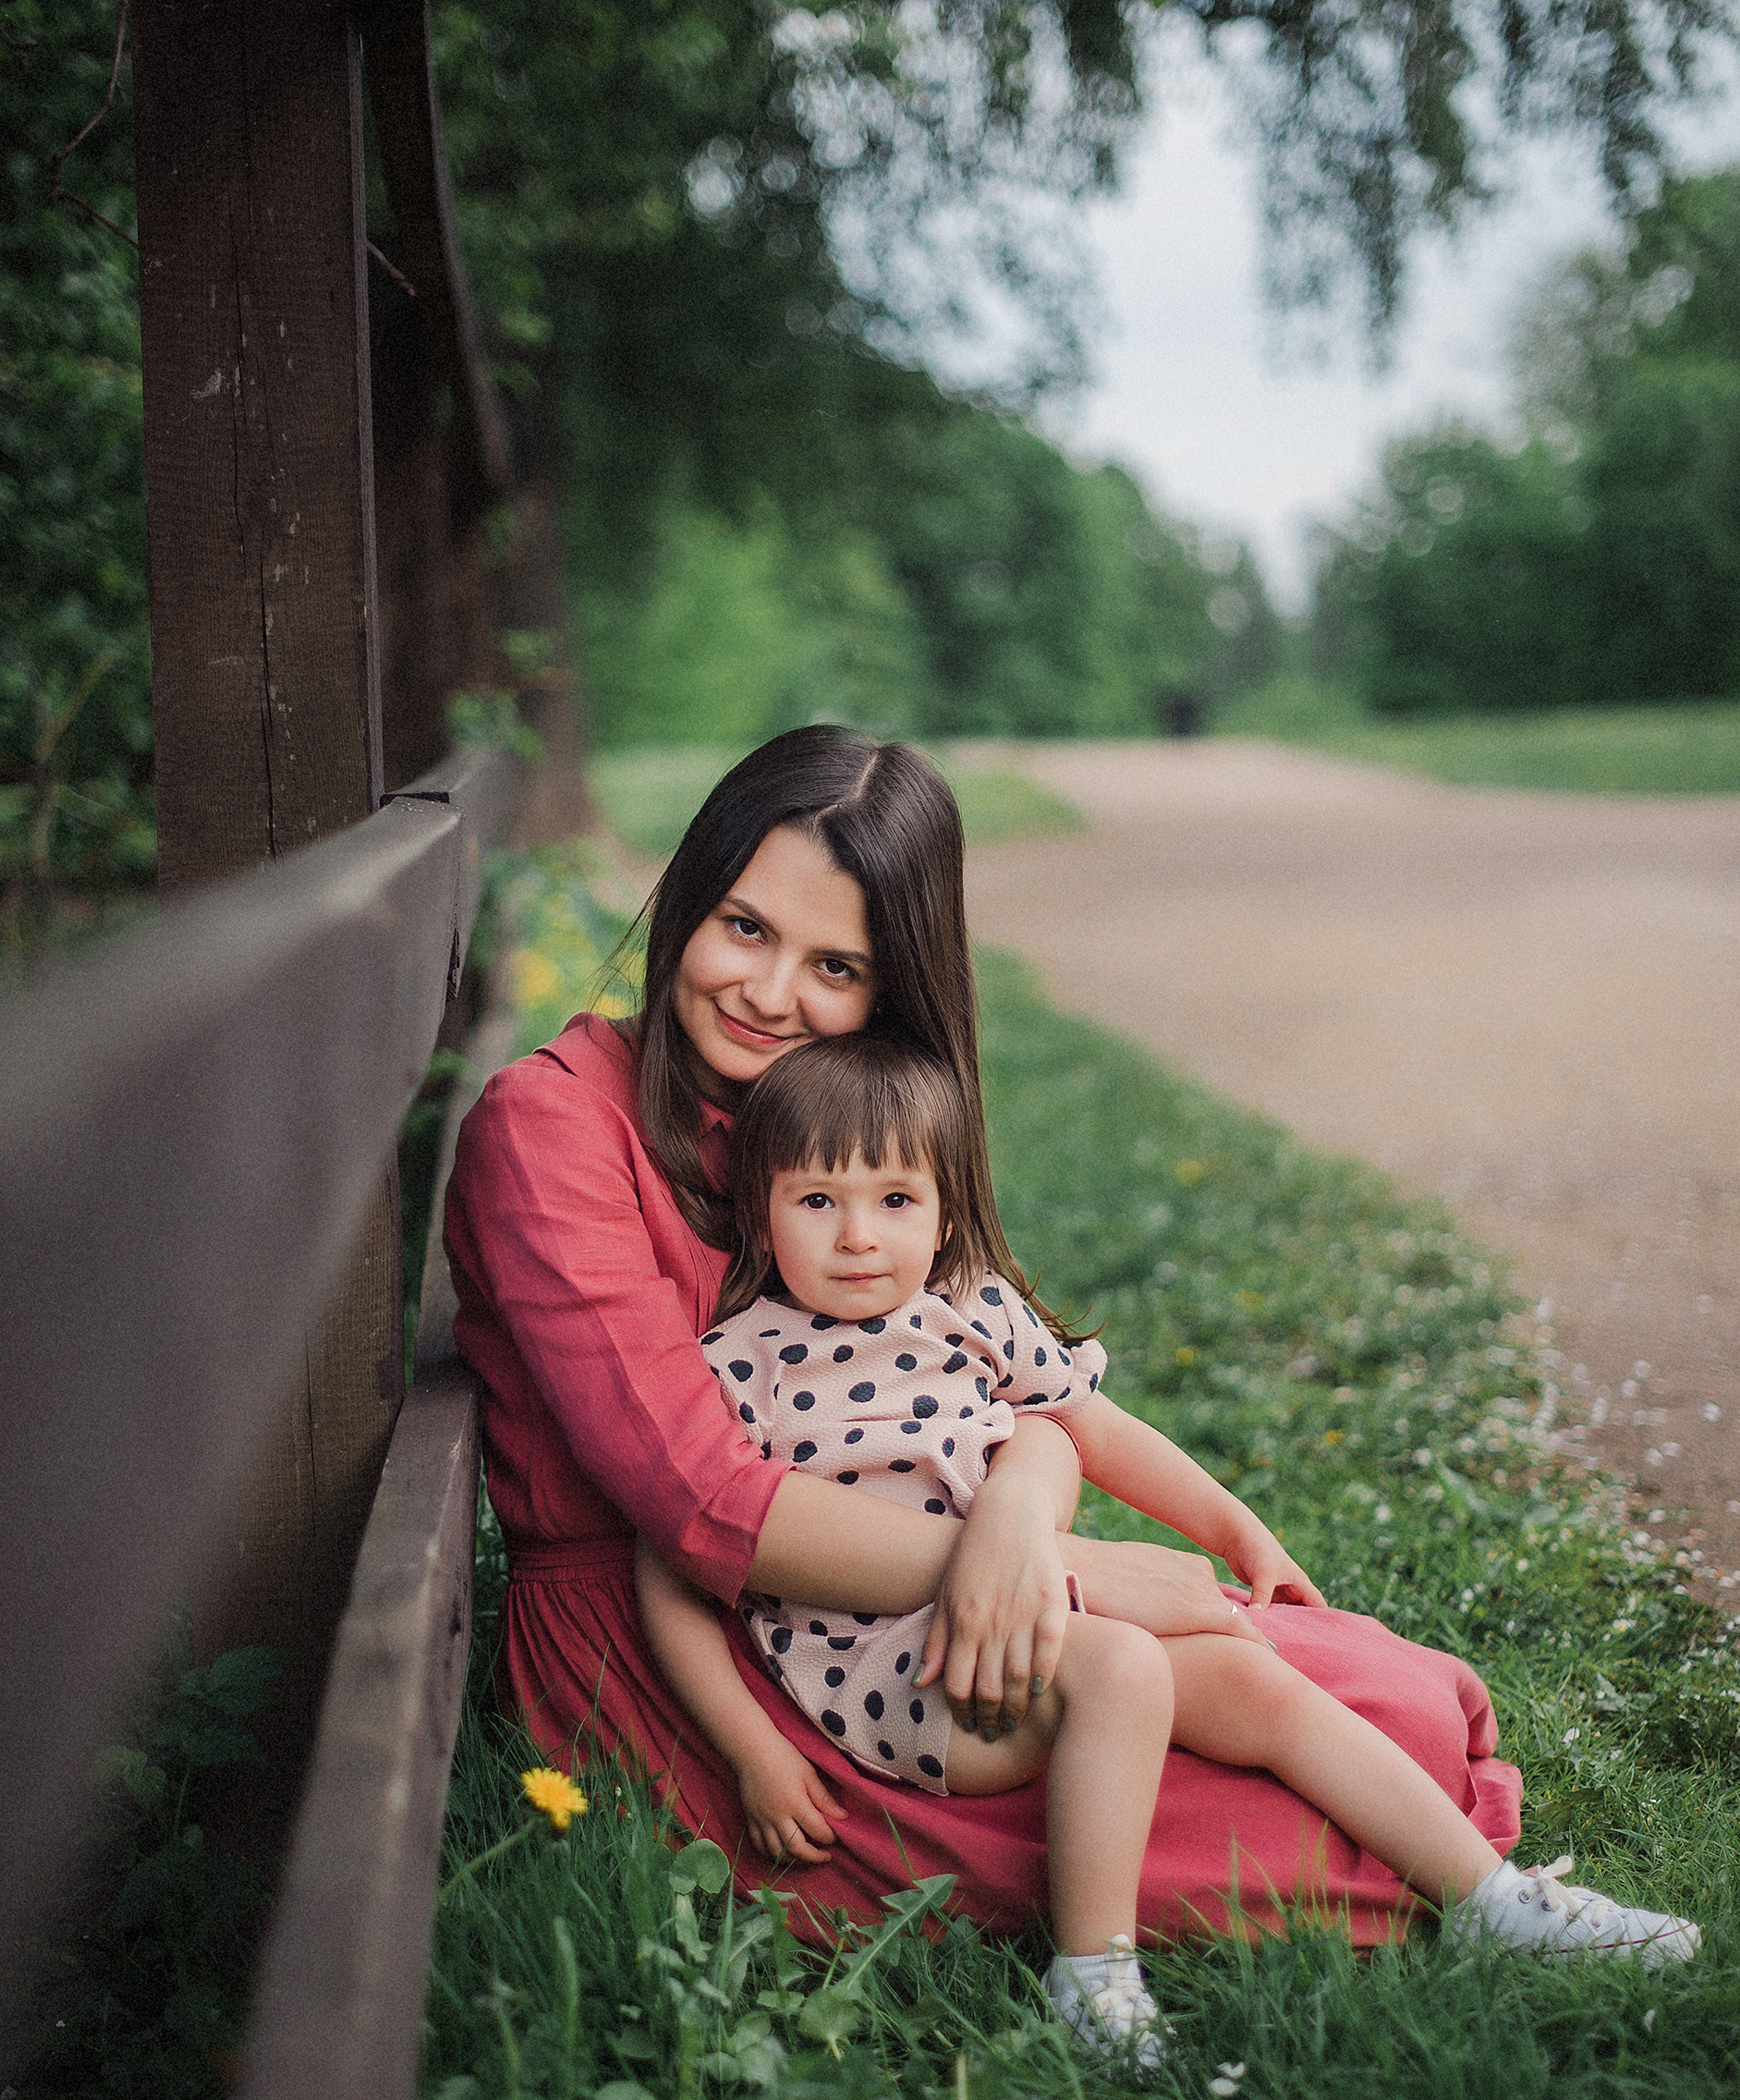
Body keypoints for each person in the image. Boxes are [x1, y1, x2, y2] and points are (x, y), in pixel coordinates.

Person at [444, 726, 1527, 1951]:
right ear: (687, 894)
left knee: (1384, 1707)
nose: (771, 992)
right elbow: (696, 1506)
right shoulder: (548, 1129)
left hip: (894, 1595)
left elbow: (1000, 1395)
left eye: (834, 966)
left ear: (889, 992)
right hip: (702, 1661)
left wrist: (1021, 1518)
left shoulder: (823, 1132)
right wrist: (1067, 1573)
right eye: (745, 927)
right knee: (1301, 1823)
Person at [634, 1034, 1699, 2064]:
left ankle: (1486, 1897)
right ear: (760, 1211)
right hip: (894, 1676)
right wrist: (752, 1748)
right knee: (1125, 1663)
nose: (858, 1234)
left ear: (945, 1206)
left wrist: (1238, 1528)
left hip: (1027, 1607)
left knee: (1241, 1668)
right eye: (817, 1199)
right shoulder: (738, 1365)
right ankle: (1091, 1976)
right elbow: (674, 1563)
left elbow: (1098, 1431)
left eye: (894, 1199)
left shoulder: (970, 1313)